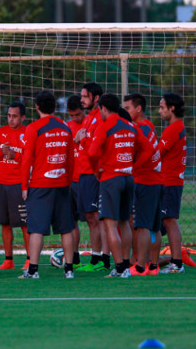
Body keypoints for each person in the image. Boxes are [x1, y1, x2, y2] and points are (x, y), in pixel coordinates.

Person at [87, 94, 153, 278]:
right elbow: (149, 150)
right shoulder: (131, 126)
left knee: (110, 225)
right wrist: (133, 167)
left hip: (111, 179)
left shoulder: (105, 125)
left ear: (104, 109)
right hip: (128, 178)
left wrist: (96, 170)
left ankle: (120, 268)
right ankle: (125, 265)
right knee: (124, 223)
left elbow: (92, 153)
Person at [19, 91, 75, 279]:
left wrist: (24, 187)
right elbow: (70, 160)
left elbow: (26, 160)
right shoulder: (65, 127)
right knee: (66, 228)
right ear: (54, 107)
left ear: (36, 107)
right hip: (61, 184)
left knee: (36, 228)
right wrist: (68, 183)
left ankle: (33, 270)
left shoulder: (33, 128)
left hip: (40, 184)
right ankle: (69, 269)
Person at [123, 93, 164, 275]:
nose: (126, 111)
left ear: (138, 109)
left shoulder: (141, 128)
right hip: (155, 181)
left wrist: (132, 168)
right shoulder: (148, 126)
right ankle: (153, 266)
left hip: (145, 181)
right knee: (154, 226)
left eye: (128, 108)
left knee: (142, 226)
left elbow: (146, 153)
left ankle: (140, 266)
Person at [0, 102, 28, 270]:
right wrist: (1, 152)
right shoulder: (1, 132)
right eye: (9, 115)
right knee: (4, 222)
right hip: (2, 183)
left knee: (25, 223)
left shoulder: (28, 133)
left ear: (22, 117)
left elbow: (31, 157)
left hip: (19, 183)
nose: (11, 119)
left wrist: (15, 154)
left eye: (15, 116)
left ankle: (29, 259)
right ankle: (8, 260)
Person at [75, 82, 110, 272]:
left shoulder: (100, 119)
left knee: (97, 217)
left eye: (85, 96)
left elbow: (95, 149)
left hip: (93, 173)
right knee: (90, 217)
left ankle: (101, 259)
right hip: (84, 173)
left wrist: (83, 139)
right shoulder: (89, 118)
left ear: (96, 98)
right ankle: (99, 258)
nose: (82, 100)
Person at [158, 93, 188, 274]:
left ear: (172, 108)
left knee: (169, 220)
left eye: (162, 107)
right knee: (166, 221)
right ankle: (169, 260)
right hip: (171, 180)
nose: (160, 111)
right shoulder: (176, 127)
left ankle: (177, 263)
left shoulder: (173, 129)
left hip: (169, 181)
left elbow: (157, 154)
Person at [66, 95, 86, 269]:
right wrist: (75, 141)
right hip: (70, 181)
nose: (75, 118)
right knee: (71, 221)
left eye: (78, 114)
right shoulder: (66, 128)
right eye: (72, 115)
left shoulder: (91, 125)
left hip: (87, 179)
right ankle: (74, 257)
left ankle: (101, 258)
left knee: (97, 220)